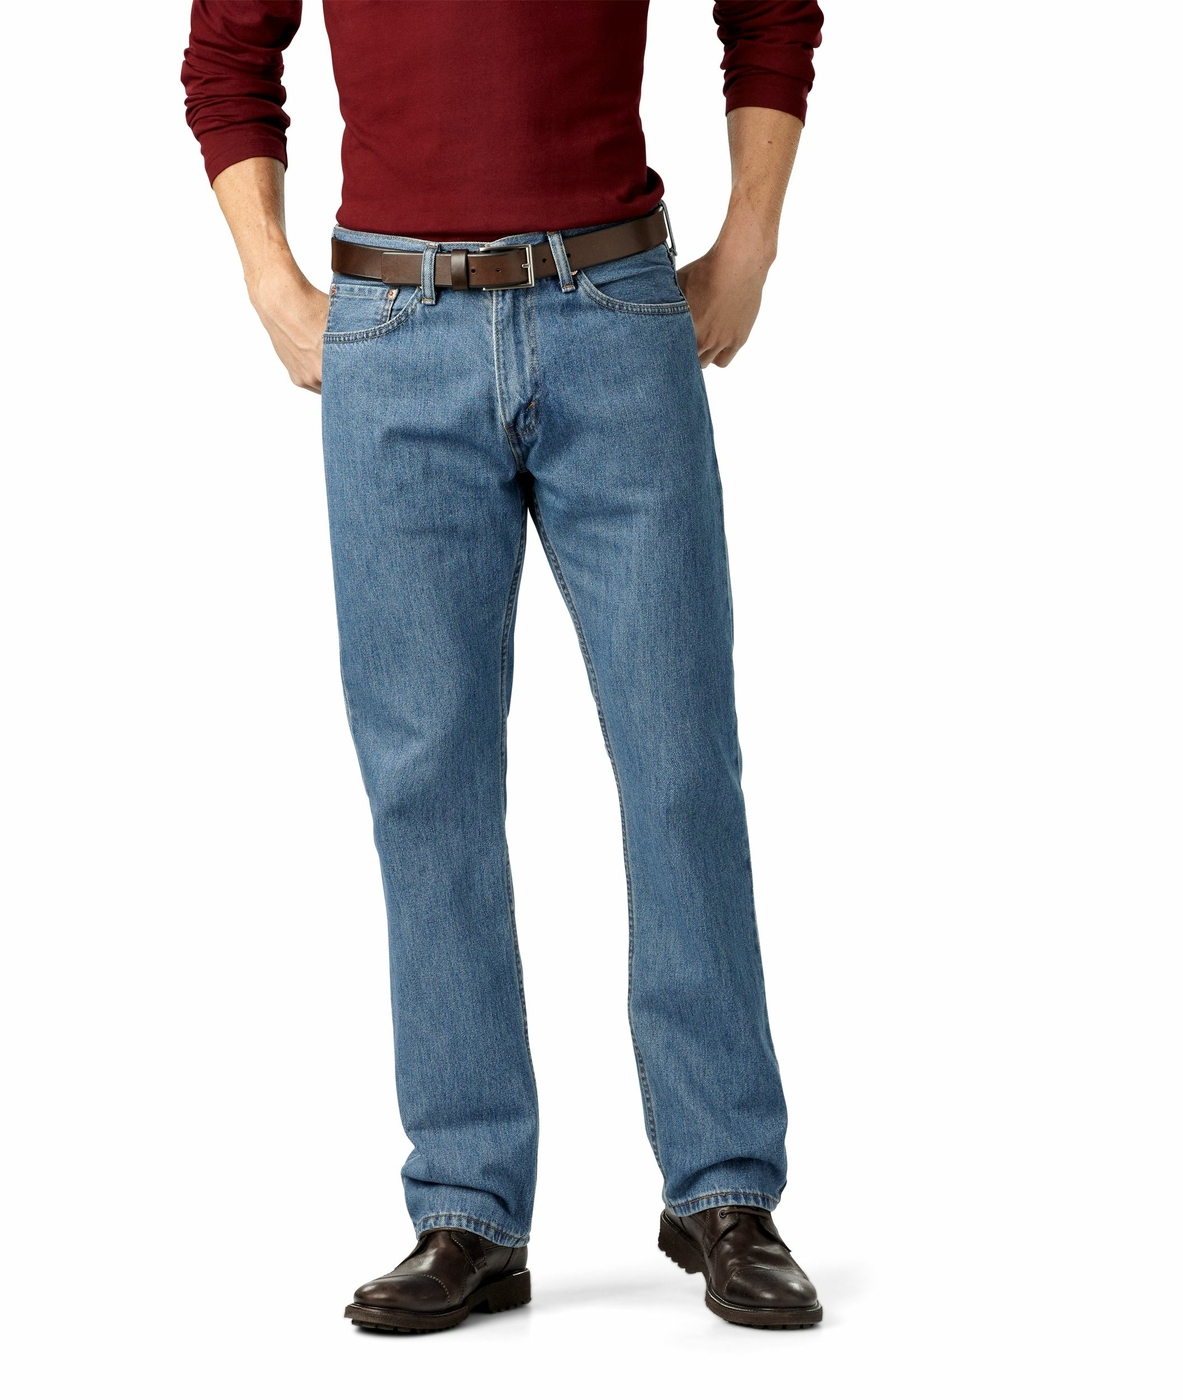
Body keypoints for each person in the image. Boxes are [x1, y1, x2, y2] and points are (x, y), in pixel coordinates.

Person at [182, 0, 824, 1333]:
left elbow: (771, 12)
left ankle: (724, 1189)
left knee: (679, 763)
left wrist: (752, 238)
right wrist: (271, 284)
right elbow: (228, 55)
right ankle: (468, 1205)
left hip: (614, 310)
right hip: (393, 331)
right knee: (428, 787)